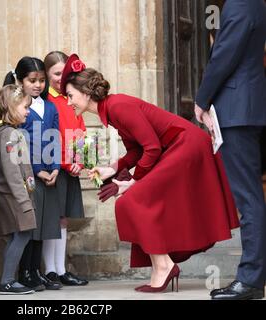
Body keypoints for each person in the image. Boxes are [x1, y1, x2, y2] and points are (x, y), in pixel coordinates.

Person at [61, 54, 240, 293]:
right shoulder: (111, 110)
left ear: (85, 92)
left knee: (133, 201)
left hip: (187, 146)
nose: (69, 102)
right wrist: (112, 167)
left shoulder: (118, 106)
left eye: (70, 95)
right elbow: (136, 150)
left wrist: (134, 181)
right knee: (136, 202)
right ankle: (162, 265)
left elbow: (152, 147)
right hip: (179, 147)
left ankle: (165, 265)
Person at [195, 0, 266, 300]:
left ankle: (250, 279)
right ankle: (253, 276)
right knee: (250, 197)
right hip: (243, 106)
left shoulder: (241, 3)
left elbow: (224, 56)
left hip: (237, 109)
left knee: (248, 199)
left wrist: (201, 99)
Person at [3, 57, 63, 291]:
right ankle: (24, 271)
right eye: (32, 80)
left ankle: (36, 271)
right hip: (32, 175)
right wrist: (38, 171)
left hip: (51, 172)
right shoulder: (19, 110)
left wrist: (56, 166)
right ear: (20, 81)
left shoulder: (50, 107)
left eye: (41, 80)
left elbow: (54, 137)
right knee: (30, 224)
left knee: (44, 224)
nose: (38, 85)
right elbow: (22, 146)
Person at [0, 84, 36, 295]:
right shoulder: (8, 135)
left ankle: (8, 280)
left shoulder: (12, 133)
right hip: (14, 196)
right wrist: (24, 200)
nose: (28, 111)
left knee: (20, 236)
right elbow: (12, 172)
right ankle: (6, 281)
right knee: (22, 236)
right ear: (13, 107)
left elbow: (23, 167)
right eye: (25, 106)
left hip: (18, 195)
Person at [42, 51, 88, 286]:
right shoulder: (47, 101)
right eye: (56, 73)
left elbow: (80, 129)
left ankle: (61, 269)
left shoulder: (71, 97)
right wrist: (63, 164)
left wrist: (80, 160)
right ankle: (49, 269)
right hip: (56, 167)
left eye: (64, 73)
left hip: (71, 166)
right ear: (47, 74)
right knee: (52, 217)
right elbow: (50, 137)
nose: (61, 78)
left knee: (63, 220)